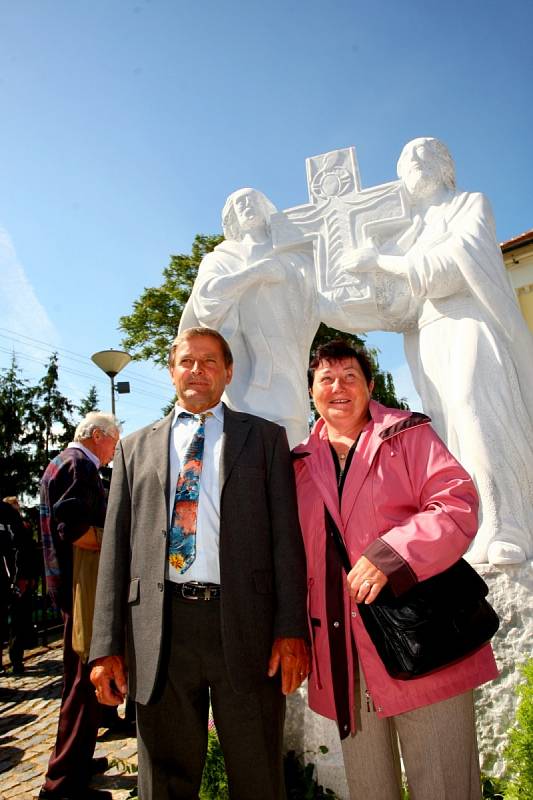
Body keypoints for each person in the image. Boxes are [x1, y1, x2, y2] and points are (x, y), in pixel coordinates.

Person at [89, 326, 310, 800]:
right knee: (165, 782)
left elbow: (286, 543)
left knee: (258, 777)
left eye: (210, 361)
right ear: (171, 371)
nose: (198, 370)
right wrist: (105, 645)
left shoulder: (266, 440)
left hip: (246, 628)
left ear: (228, 372)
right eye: (187, 361)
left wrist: (291, 629)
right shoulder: (133, 449)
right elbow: (116, 552)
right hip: (160, 632)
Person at [293, 339, 498, 800]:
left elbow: (456, 503)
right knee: (369, 790)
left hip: (422, 639)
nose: (338, 387)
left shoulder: (407, 435)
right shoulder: (299, 466)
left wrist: (390, 554)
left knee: (444, 786)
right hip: (344, 653)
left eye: (350, 376)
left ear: (370, 386)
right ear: (312, 392)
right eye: (326, 378)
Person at [343, 136, 533, 565]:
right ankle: (471, 522)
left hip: (469, 319)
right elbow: (397, 305)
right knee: (448, 427)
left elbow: (450, 269)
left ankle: (509, 524)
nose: (416, 164)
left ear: (445, 164)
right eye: (407, 161)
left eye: (425, 156)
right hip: (429, 333)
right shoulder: (410, 230)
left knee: (478, 411)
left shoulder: (469, 204)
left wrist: (379, 261)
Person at [179, 188, 320, 448]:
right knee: (245, 441)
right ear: (231, 216)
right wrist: (255, 273)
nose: (247, 206)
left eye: (253, 200)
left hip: (284, 357)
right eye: (239, 203)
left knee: (291, 435)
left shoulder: (289, 252)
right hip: (241, 364)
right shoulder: (221, 257)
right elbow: (207, 299)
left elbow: (314, 293)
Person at [38, 412, 121, 800]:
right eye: (114, 440)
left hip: (71, 587)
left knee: (80, 681)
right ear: (97, 436)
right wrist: (120, 541)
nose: (115, 449)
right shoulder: (78, 465)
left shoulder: (63, 462)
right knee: (82, 684)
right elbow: (75, 531)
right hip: (82, 588)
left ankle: (75, 761)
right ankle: (63, 784)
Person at [1, 496, 38, 673]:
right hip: (10, 575)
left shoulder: (14, 519)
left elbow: (24, 548)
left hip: (15, 577)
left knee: (18, 620)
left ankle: (16, 660)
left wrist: (24, 576)